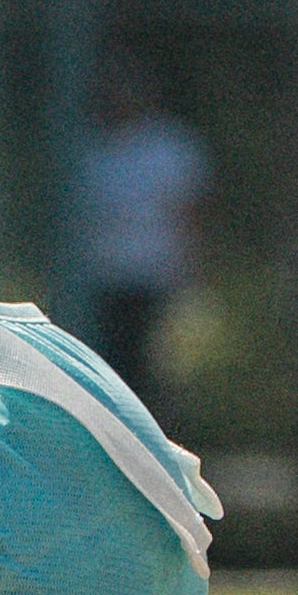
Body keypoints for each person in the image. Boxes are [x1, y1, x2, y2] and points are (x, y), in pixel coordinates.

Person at [75, 61, 209, 425]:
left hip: (153, 277)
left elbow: (188, 215)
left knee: (153, 372)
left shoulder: (167, 147)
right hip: (100, 280)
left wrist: (191, 272)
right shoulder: (86, 148)